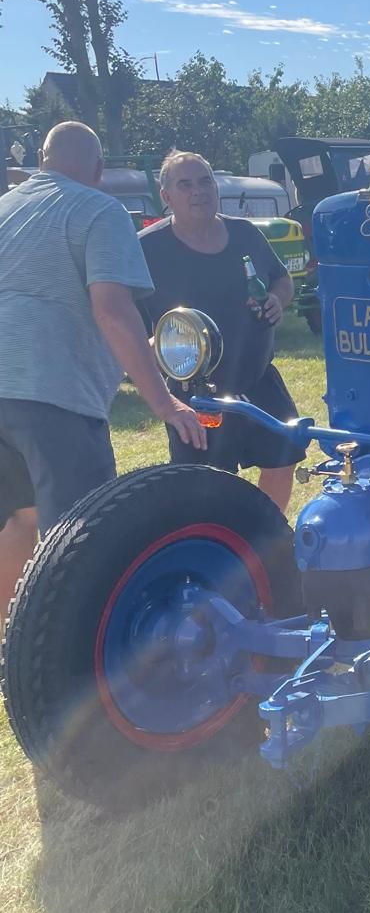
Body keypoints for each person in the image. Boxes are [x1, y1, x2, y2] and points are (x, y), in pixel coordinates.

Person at [0, 122, 206, 612]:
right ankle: (67, 652)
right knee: (79, 539)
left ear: (42, 160)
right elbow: (113, 310)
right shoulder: (99, 209)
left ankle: (11, 639)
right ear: (98, 169)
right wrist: (165, 402)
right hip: (55, 396)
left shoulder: (5, 207)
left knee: (19, 520)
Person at [138, 150, 300, 512]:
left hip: (257, 375)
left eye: (205, 181)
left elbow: (282, 279)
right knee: (206, 484)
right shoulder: (147, 247)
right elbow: (128, 321)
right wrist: (156, 347)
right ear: (166, 196)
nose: (198, 191)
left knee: (283, 459)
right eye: (185, 184)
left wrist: (276, 299)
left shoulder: (245, 233)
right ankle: (216, 541)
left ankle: (266, 531)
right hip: (195, 391)